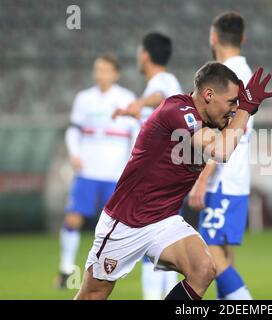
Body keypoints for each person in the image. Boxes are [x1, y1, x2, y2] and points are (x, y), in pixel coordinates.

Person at [75, 62, 272, 300]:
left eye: (237, 103)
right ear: (209, 95)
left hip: (164, 220)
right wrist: (245, 109)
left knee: (203, 269)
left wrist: (240, 113)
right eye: (232, 102)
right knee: (94, 294)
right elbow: (220, 151)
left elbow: (223, 147)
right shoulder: (178, 111)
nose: (234, 109)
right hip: (127, 221)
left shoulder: (212, 123)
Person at [55, 54, 139, 288]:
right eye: (97, 69)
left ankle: (109, 269)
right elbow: (73, 130)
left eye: (105, 69)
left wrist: (131, 164)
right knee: (73, 218)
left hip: (114, 174)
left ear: (115, 73)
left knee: (117, 225)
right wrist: (74, 154)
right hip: (88, 172)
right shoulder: (84, 99)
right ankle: (65, 270)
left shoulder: (126, 98)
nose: (100, 74)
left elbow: (135, 134)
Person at [186, 12, 253, 300]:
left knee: (212, 255)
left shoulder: (226, 77)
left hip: (222, 180)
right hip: (237, 178)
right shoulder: (246, 72)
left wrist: (202, 180)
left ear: (213, 38)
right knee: (223, 253)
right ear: (243, 39)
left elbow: (225, 134)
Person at [114, 32, 183, 300]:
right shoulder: (164, 83)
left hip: (157, 179)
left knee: (148, 241)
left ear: (144, 55)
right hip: (163, 175)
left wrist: (139, 103)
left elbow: (159, 95)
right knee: (160, 241)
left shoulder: (163, 80)